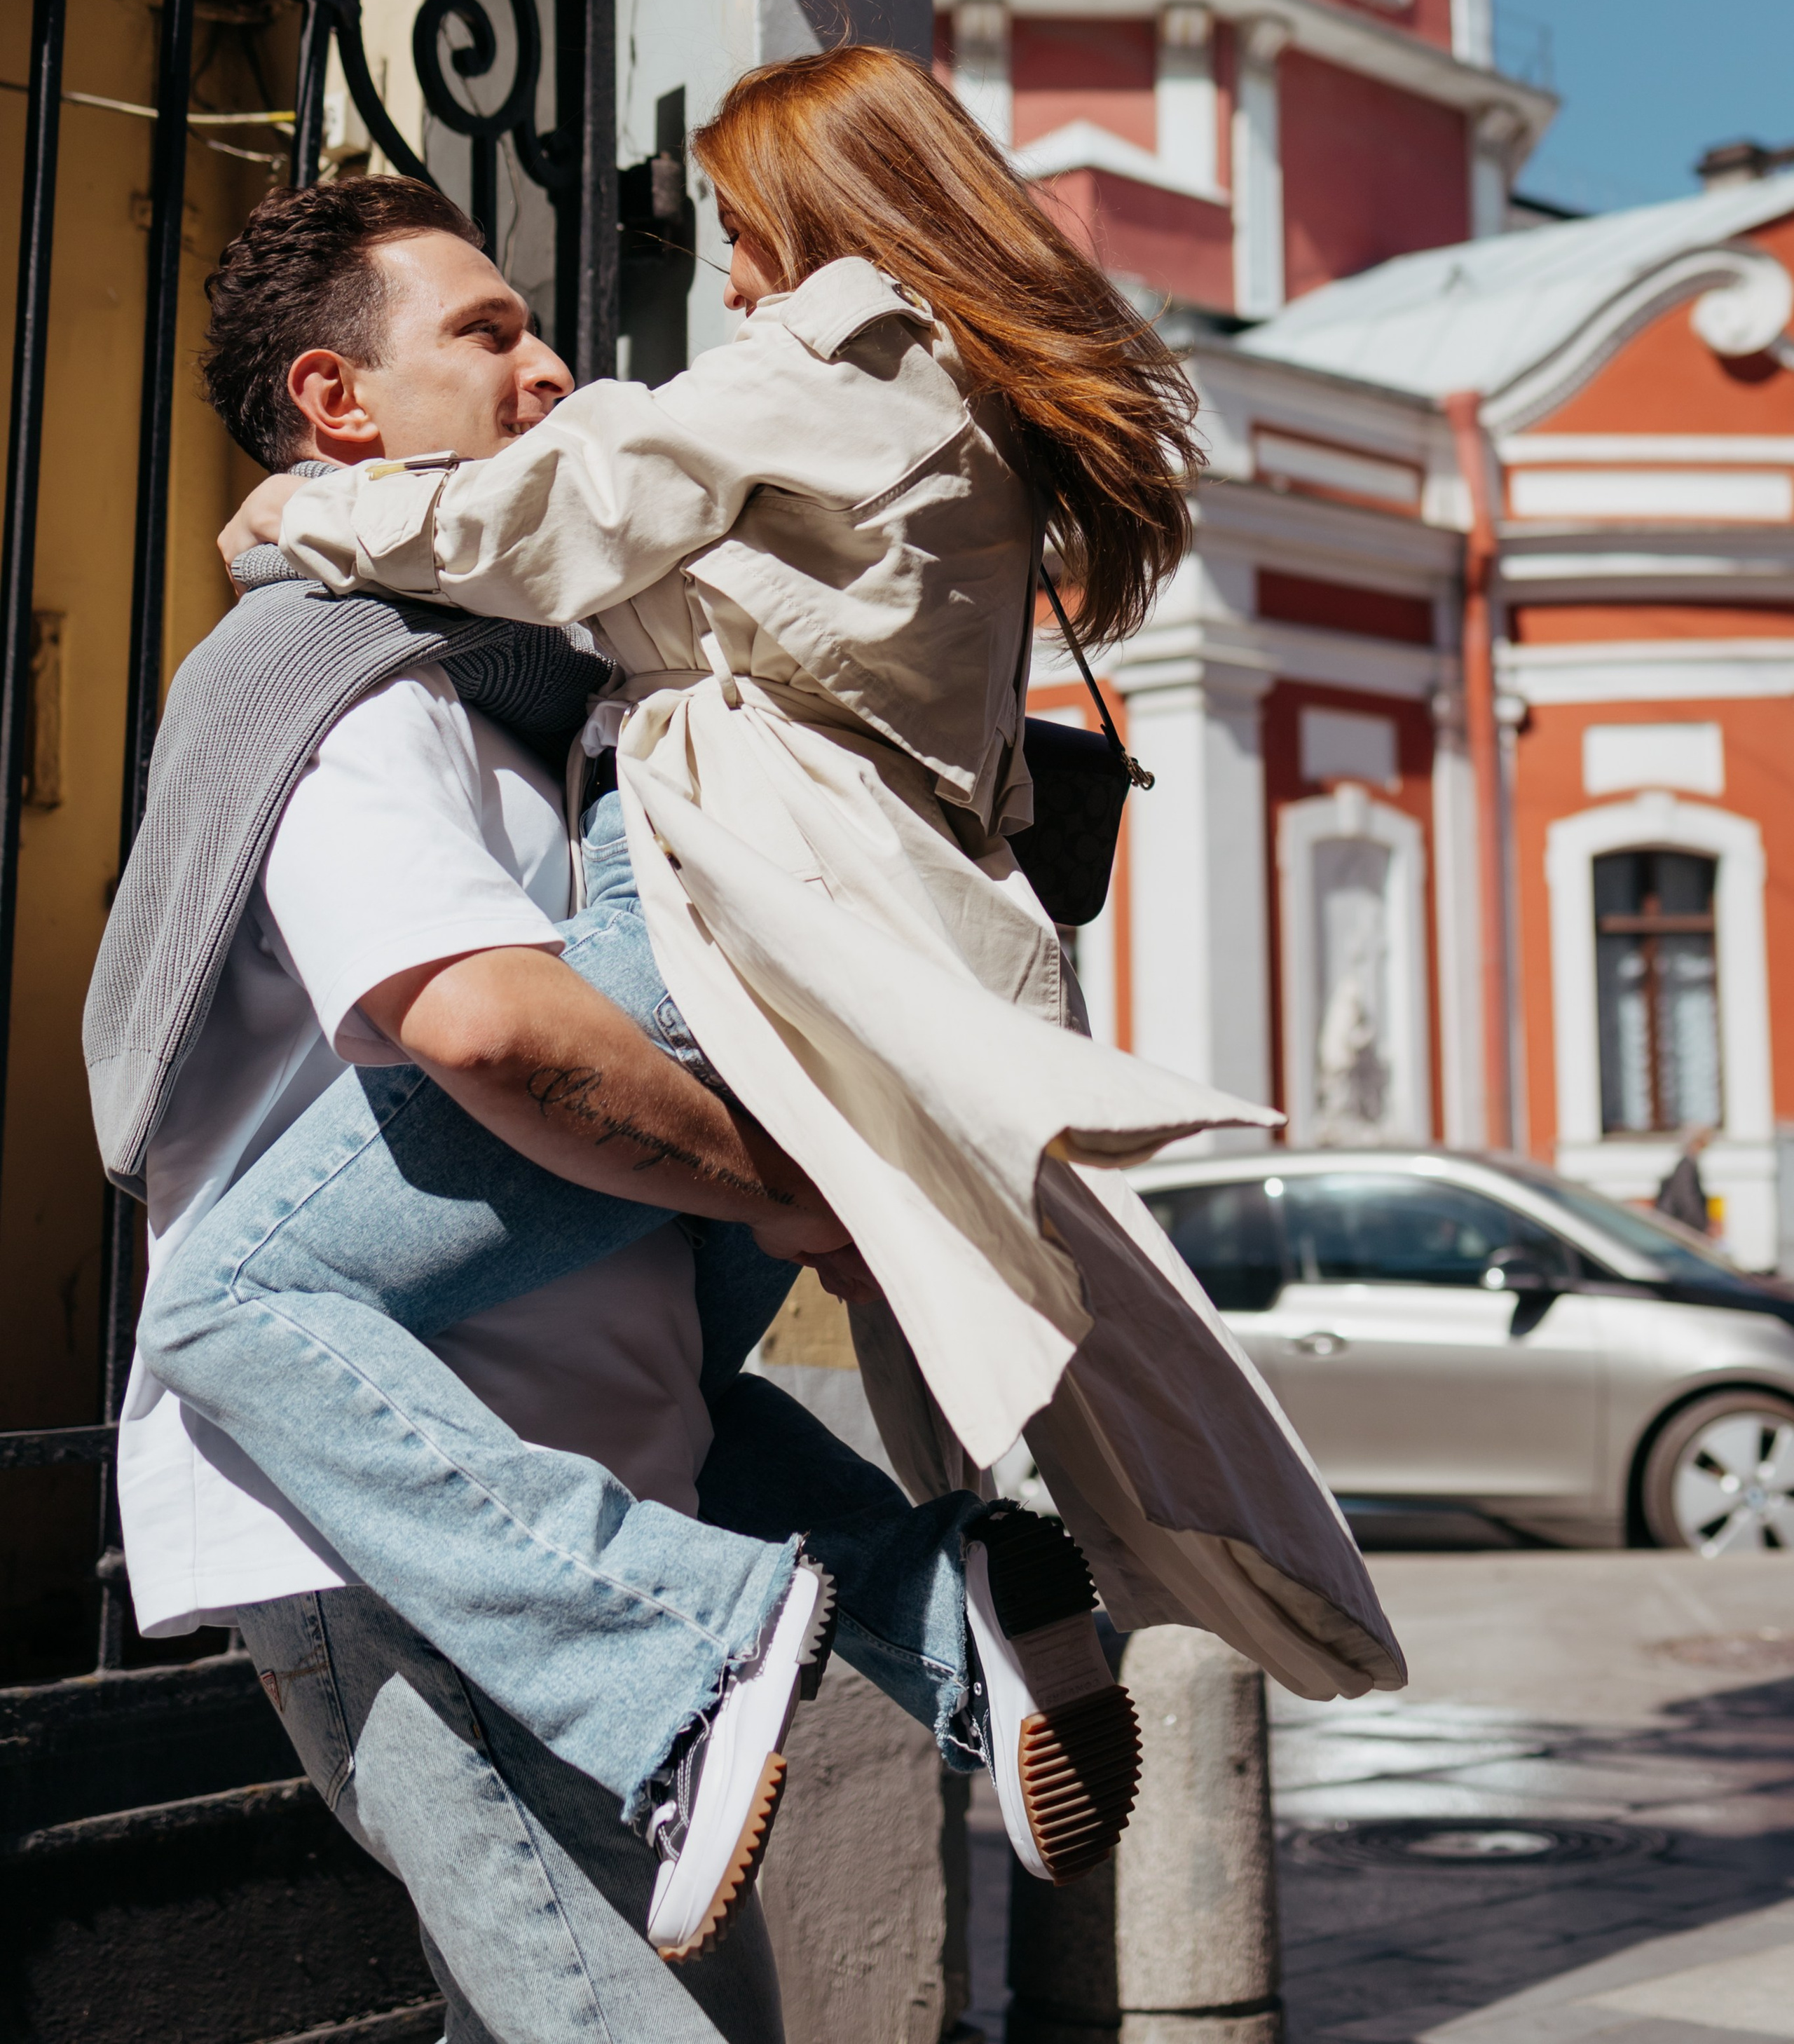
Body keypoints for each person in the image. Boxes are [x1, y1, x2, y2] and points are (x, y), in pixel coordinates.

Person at [144, 50, 1404, 1960]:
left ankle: (686, 1648)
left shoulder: (838, 339)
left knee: (223, 1303)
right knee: (699, 1399)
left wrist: (291, 526)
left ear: (817, 211)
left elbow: (552, 519)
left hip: (716, 951)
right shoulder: (950, 415)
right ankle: (939, 1588)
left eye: (742, 235)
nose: (729, 283)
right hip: (849, 999)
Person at [95, 175, 1146, 2044]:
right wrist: (789, 1185)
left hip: (559, 1529)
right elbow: (489, 1026)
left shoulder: (543, 708)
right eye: (485, 331)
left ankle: (823, 1619)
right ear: (337, 407)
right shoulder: (325, 685)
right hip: (415, 1551)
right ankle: (902, 1606)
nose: (551, 360)